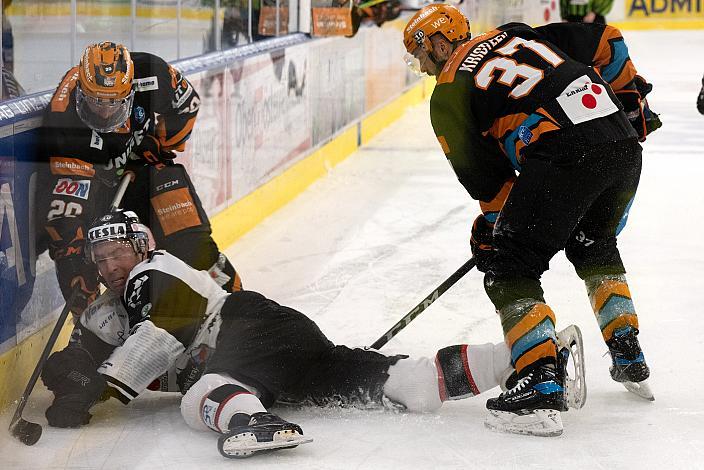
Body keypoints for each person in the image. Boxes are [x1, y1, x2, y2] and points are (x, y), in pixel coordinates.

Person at [40, 209, 585, 458]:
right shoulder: (129, 294)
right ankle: (534, 357)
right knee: (410, 385)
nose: (112, 264)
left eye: (118, 252)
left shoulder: (154, 272)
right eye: (102, 257)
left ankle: (256, 422)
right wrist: (73, 374)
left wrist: (102, 383)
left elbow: (162, 337)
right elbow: (108, 346)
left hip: (249, 330)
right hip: (280, 345)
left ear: (138, 247)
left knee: (200, 399)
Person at [402, 4, 661, 436]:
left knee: (509, 267)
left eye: (421, 55)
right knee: (592, 243)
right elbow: (607, 39)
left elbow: (493, 187)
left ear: (441, 42)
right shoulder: (518, 32)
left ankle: (539, 380)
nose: (424, 68)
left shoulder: (448, 94)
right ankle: (627, 348)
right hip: (621, 142)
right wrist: (632, 105)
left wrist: (492, 232)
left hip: (564, 152)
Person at [36, 41, 241, 318]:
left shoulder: (152, 74)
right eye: (95, 101)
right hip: (92, 189)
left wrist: (159, 141)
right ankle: (91, 329)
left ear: (131, 90)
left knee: (190, 237)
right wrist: (73, 255)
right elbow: (66, 203)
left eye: (114, 103)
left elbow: (188, 106)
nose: (105, 111)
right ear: (81, 91)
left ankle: (238, 307)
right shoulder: (63, 117)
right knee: (79, 258)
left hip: (141, 169)